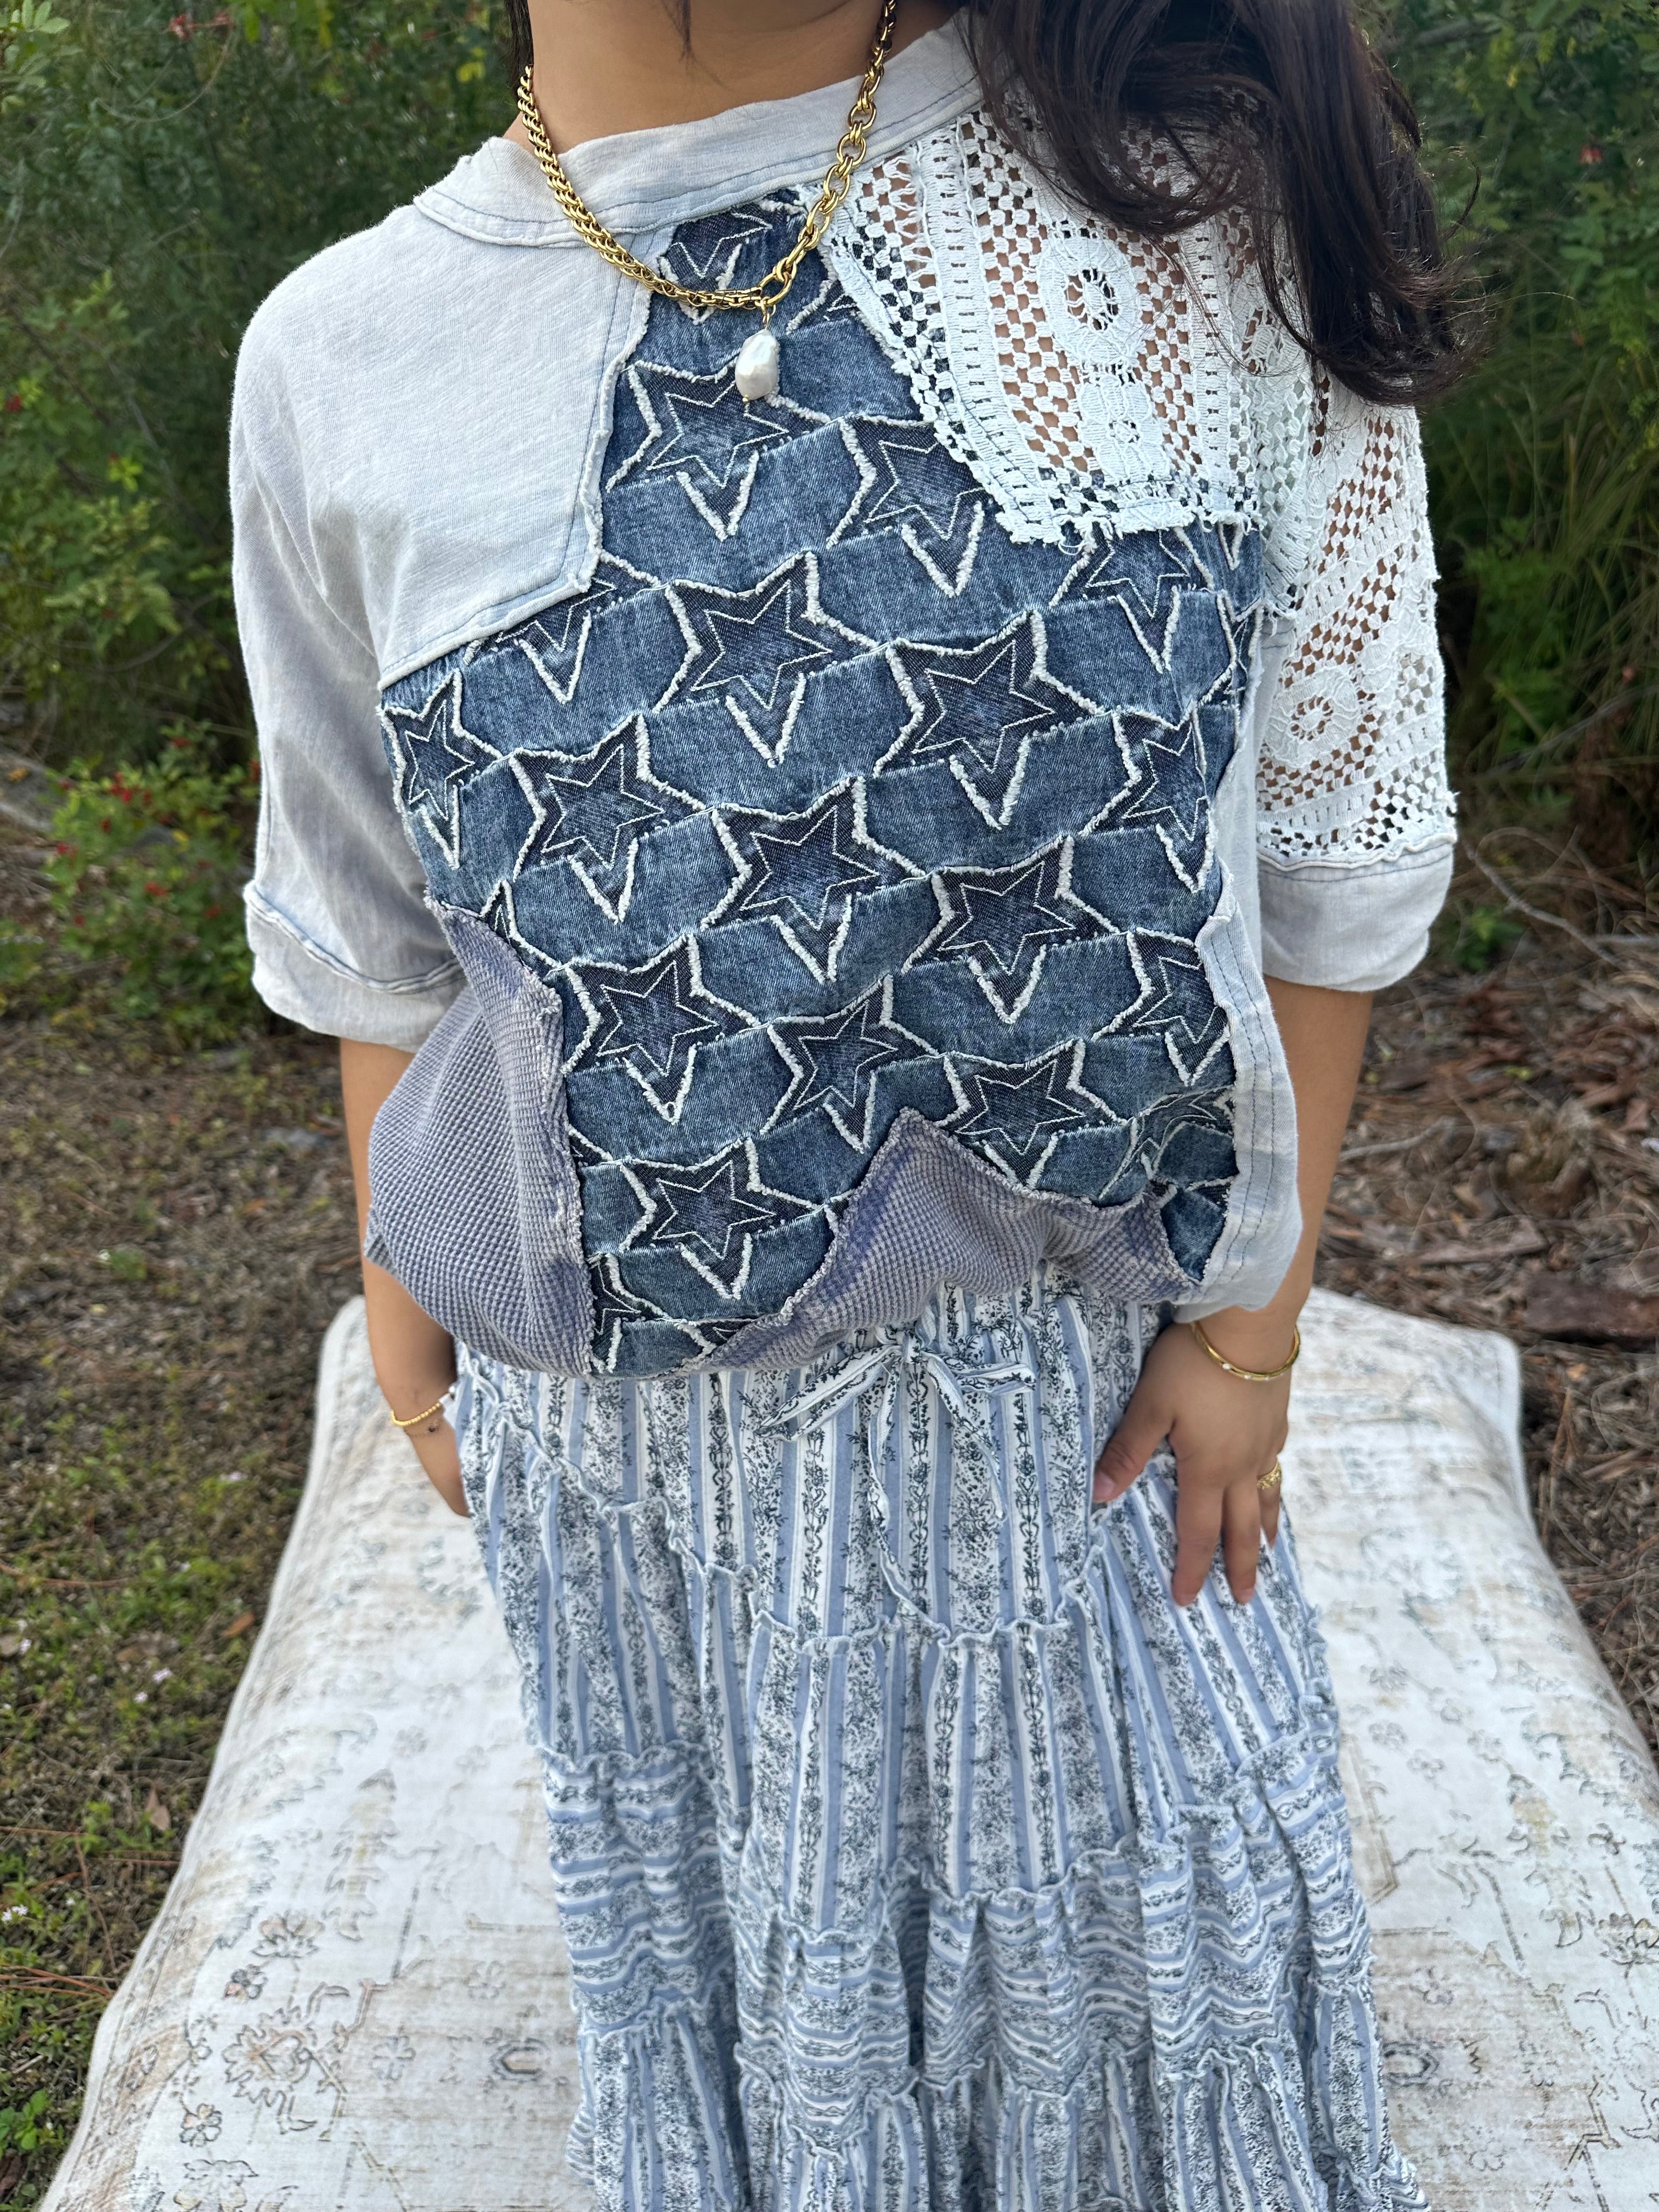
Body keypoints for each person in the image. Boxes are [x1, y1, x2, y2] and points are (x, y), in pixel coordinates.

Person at [231, 0, 1461, 2199]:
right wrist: (407, 1285)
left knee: (1118, 1999)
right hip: (624, 1488)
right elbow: (373, 920)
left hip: (1067, 1452)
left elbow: (1332, 840)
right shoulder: (347, 351)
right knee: (759, 1989)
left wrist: (1254, 1327)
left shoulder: (1184, 219)